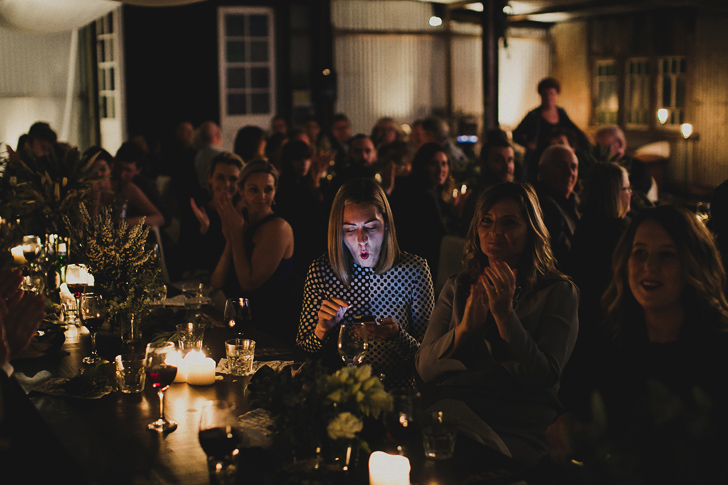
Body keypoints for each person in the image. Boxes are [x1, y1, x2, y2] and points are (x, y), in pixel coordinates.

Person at [552, 205, 728, 483]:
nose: (649, 266)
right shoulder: (609, 337)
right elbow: (576, 401)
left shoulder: (718, 350)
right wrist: (568, 421)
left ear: (693, 263)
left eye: (666, 255)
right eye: (640, 252)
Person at [415, 182, 579, 468]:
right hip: (454, 409)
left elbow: (544, 377)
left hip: (516, 420)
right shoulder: (459, 287)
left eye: (509, 223)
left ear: (531, 230)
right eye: (486, 222)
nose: (494, 233)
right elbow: (424, 369)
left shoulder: (557, 292)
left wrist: (506, 319)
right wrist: (464, 329)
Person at [296, 177, 435, 390]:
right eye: (350, 230)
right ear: (338, 232)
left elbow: (430, 360)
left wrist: (397, 336)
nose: (362, 239)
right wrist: (321, 330)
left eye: (370, 227)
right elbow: (303, 352)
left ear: (386, 224)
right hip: (338, 393)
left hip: (396, 393)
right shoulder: (322, 271)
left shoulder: (414, 270)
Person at [559, 163, 631, 413]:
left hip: (582, 333)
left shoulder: (585, 227)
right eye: (627, 187)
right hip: (610, 333)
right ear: (613, 192)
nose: (631, 193)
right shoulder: (621, 236)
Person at [211, 160, 296, 342]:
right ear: (241, 190)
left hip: (269, 327)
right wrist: (232, 238)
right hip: (238, 322)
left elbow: (248, 283)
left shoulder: (278, 228)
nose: (262, 196)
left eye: (268, 189)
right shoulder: (242, 223)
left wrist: (236, 235)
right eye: (253, 189)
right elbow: (216, 281)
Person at [390, 142, 462, 282]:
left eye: (444, 163)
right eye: (433, 164)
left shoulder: (430, 192)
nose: (441, 169)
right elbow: (444, 236)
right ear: (422, 166)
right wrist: (457, 216)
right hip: (422, 270)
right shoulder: (425, 195)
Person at [512, 77, 589, 182]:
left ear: (557, 95)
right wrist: (527, 143)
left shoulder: (561, 112)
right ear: (540, 96)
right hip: (538, 160)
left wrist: (584, 137)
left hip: (558, 158)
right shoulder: (534, 115)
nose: (548, 97)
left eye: (551, 93)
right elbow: (516, 134)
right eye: (545, 94)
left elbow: (573, 128)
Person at [83, 146, 165, 228]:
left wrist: (131, 222)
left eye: (102, 169)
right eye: (92, 171)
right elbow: (90, 227)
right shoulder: (81, 192)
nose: (98, 174)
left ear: (111, 168)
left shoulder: (124, 188)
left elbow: (159, 218)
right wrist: (94, 200)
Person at [460, 129, 516, 234]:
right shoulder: (479, 198)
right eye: (498, 160)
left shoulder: (514, 195)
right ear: (483, 163)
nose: (506, 166)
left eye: (510, 160)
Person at [534, 144, 581, 267]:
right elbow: (564, 256)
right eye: (561, 166)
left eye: (574, 167)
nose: (569, 172)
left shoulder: (577, 201)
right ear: (542, 169)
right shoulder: (541, 205)